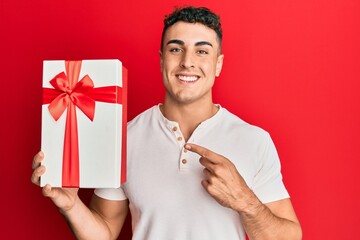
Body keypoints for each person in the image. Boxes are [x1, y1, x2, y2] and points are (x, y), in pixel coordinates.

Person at [32, 6, 302, 240]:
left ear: (218, 64)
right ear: (162, 58)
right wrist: (69, 205)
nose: (187, 62)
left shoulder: (254, 140)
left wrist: (245, 201)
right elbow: (104, 230)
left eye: (202, 52)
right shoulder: (123, 138)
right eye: (176, 49)